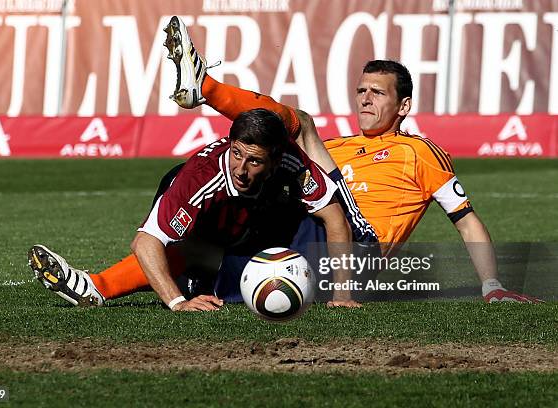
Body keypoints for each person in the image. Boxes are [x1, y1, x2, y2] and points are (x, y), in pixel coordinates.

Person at [164, 16, 540, 303]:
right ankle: (112, 285)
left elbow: (466, 221)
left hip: (360, 248)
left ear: (404, 105)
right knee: (218, 209)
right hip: (313, 231)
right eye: (362, 90)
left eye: (378, 93)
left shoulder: (420, 153)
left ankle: (206, 87)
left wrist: (492, 286)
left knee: (301, 127)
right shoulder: (339, 146)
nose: (365, 99)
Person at [29, 107, 365, 311]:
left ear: (276, 159)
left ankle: (190, 280)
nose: (241, 168)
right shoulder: (201, 178)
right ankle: (97, 286)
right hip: (203, 221)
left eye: (254, 161)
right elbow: (145, 243)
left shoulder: (293, 161)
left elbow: (336, 220)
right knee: (190, 252)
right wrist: (178, 303)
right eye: (237, 154)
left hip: (253, 221)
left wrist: (342, 293)